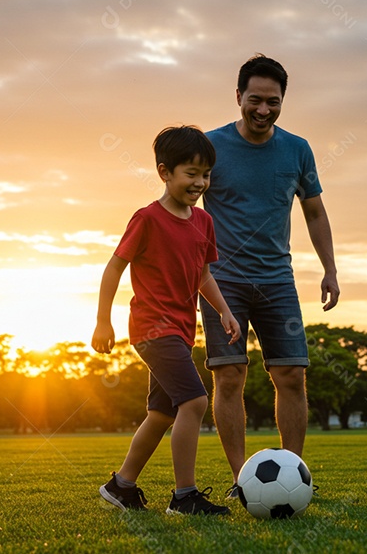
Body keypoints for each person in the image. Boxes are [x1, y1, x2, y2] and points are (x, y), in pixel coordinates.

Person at [199, 54, 339, 498]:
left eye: (273, 102)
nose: (263, 110)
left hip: (279, 281)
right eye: (254, 100)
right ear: (238, 96)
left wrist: (330, 269)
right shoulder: (208, 147)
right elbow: (182, 203)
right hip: (223, 283)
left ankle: (295, 476)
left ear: (283, 102)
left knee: (292, 376)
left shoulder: (297, 149)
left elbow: (314, 211)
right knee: (231, 376)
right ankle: (242, 481)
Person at [93, 125, 241, 515]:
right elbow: (114, 268)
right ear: (165, 172)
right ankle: (184, 496)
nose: (200, 182)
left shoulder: (204, 223)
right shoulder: (147, 219)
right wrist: (102, 321)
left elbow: (203, 275)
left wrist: (225, 310)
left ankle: (121, 486)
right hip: (151, 329)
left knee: (162, 413)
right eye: (191, 173)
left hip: (179, 330)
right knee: (194, 401)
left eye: (206, 174)